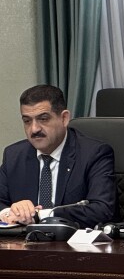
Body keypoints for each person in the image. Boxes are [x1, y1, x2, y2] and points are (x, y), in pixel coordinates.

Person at [0, 84, 116, 228]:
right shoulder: (14, 155)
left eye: (43, 119)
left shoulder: (93, 153)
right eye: (27, 121)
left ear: (64, 118)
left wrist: (40, 215)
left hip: (73, 240)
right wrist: (10, 213)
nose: (34, 129)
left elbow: (102, 210)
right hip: (23, 240)